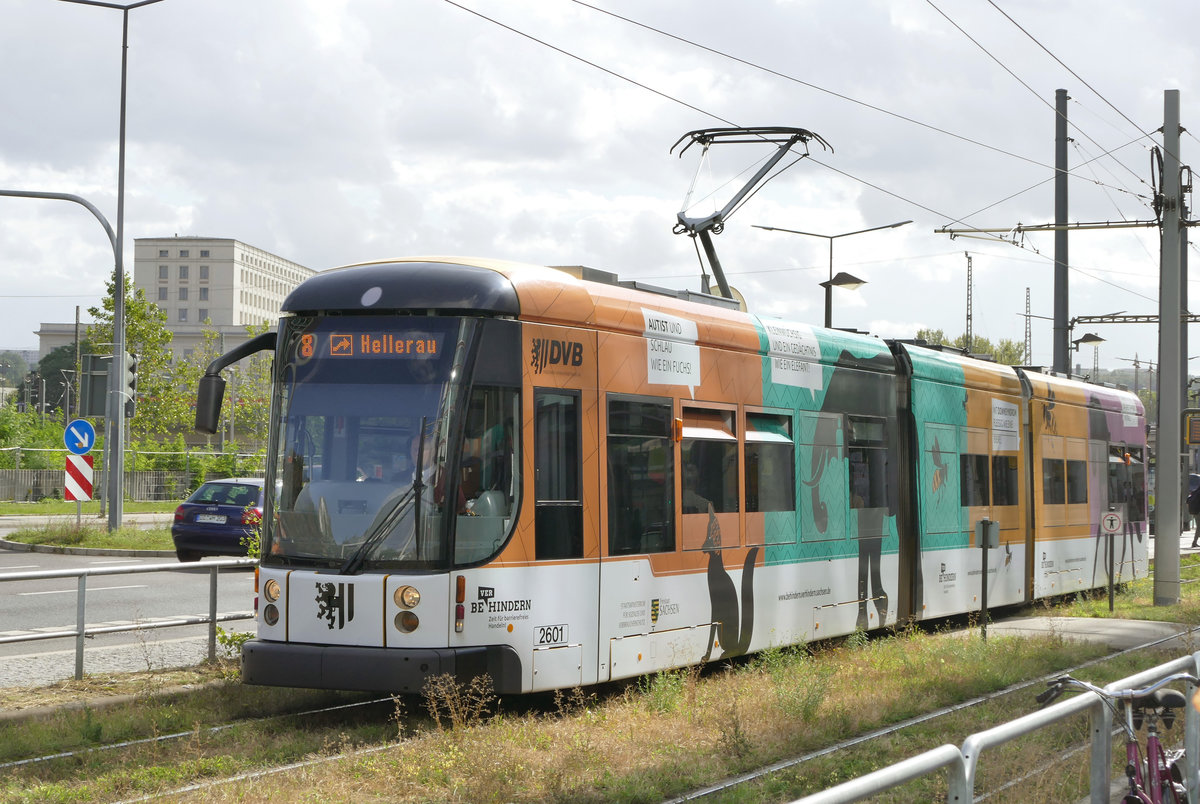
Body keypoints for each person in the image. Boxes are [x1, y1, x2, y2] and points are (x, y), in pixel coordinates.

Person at [1188, 484, 1200, 548]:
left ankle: (1195, 542)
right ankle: (1194, 542)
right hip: (1198, 512)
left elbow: (1187, 501)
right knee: (1199, 528)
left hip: (1195, 512)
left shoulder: (1195, 492)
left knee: (1198, 527)